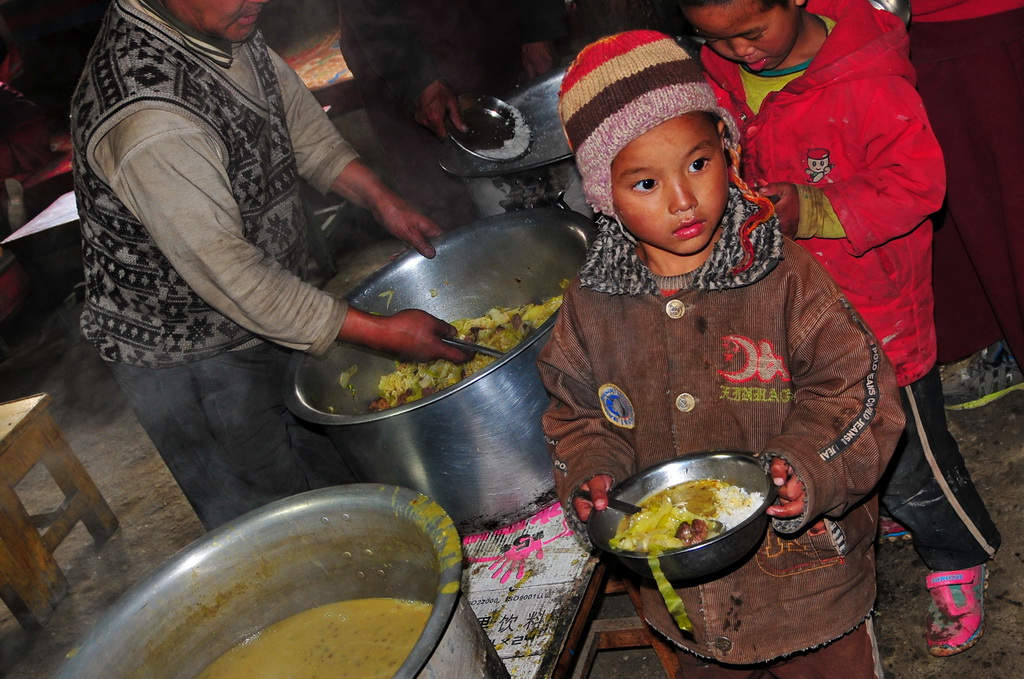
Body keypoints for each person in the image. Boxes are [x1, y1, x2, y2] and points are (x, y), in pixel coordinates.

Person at [541, 30, 905, 674]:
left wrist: (810, 465)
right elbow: (577, 415)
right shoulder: (592, 306)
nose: (683, 199)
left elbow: (859, 387)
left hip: (808, 586)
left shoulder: (784, 276)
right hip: (683, 598)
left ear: (728, 151)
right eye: (646, 182)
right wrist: (594, 472)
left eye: (699, 164)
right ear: (605, 195)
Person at [70, 0, 472, 531]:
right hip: (192, 360)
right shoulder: (149, 121)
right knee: (278, 524)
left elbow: (296, 124)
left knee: (342, 488)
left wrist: (382, 201)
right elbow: (231, 274)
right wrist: (382, 334)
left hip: (272, 310)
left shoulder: (219, 21)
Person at [678, 0, 1002, 656]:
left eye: (750, 30)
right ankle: (890, 511)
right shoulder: (719, 76)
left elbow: (919, 187)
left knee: (913, 461)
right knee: (832, 439)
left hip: (881, 324)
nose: (742, 51)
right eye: (717, 39)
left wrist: (818, 207)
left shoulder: (870, 82)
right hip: (793, 315)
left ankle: (958, 551)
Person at [335, 0, 568, 231]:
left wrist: (539, 27)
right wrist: (416, 80)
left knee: (543, 168)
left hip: (494, 23)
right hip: (397, 45)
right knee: (447, 201)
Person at [907, 0, 1024, 410]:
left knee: (1007, 203)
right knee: (970, 211)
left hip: (981, 22)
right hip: (904, 30)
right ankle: (1001, 344)